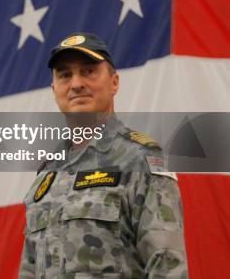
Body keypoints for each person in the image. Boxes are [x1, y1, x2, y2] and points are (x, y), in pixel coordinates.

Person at [19, 33, 188, 278]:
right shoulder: (48, 171)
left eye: (88, 71)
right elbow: (29, 269)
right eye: (65, 75)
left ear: (114, 82)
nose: (76, 83)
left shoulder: (140, 158)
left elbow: (167, 264)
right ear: (54, 89)